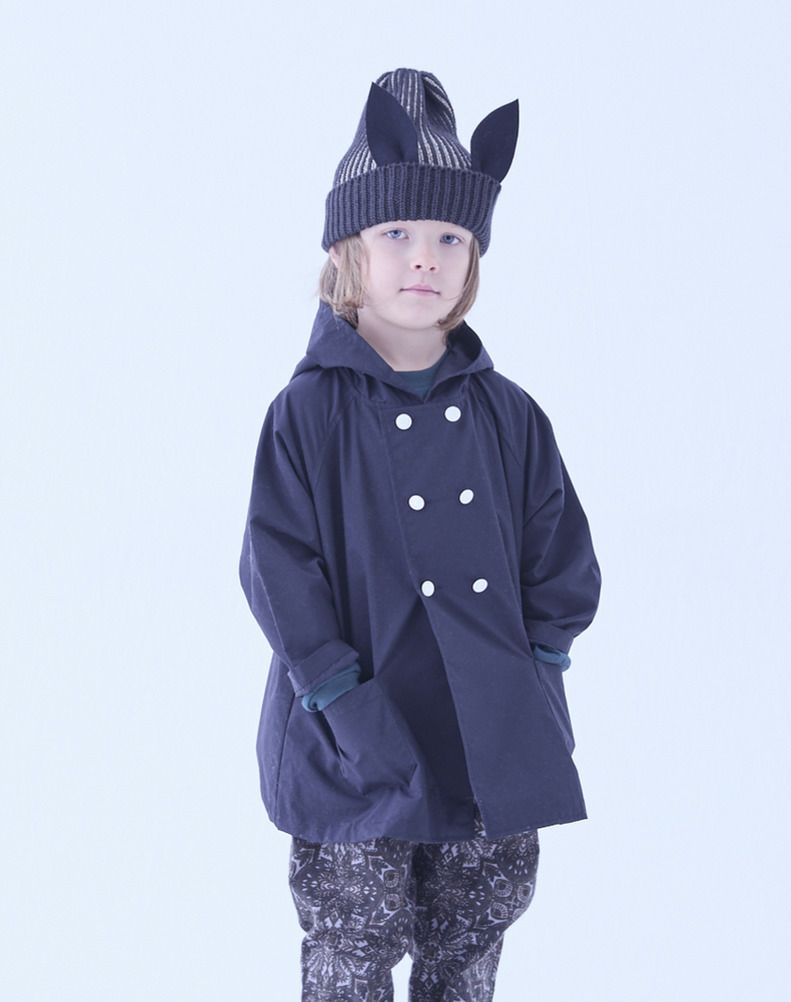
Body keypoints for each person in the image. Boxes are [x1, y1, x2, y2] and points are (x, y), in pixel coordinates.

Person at [238, 67, 602, 1001]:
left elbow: (561, 559)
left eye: (450, 237)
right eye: (396, 232)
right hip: (352, 738)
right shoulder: (307, 414)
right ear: (348, 250)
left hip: (492, 733)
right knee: (352, 947)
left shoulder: (510, 415)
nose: (425, 258)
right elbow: (279, 570)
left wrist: (538, 672)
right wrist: (339, 697)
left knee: (471, 942)